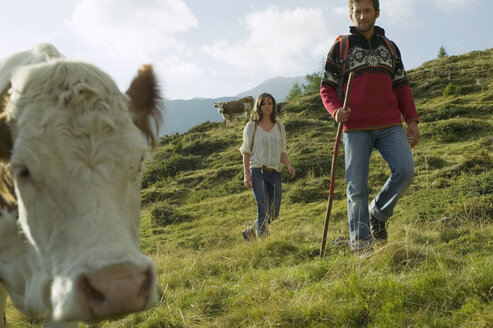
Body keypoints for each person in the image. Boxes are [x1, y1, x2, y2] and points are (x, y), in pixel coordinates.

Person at [320, 0, 420, 250]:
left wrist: (412, 119)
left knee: (406, 170)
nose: (362, 16)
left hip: (389, 124)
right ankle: (361, 246)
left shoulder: (390, 47)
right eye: (357, 12)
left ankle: (377, 212)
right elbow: (327, 87)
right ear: (351, 14)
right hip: (354, 127)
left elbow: (401, 86)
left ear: (377, 12)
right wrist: (335, 111)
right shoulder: (340, 47)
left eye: (367, 11)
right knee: (356, 189)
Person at [239, 93, 295, 240]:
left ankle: (250, 231)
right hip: (258, 171)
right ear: (259, 107)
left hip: (275, 172)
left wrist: (288, 165)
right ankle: (264, 242)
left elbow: (282, 151)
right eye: (264, 103)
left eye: (270, 103)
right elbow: (246, 152)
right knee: (263, 208)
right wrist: (247, 174)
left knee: (274, 212)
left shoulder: (280, 127)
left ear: (274, 106)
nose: (267, 106)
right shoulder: (251, 127)